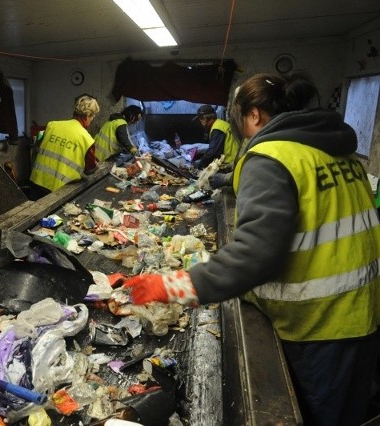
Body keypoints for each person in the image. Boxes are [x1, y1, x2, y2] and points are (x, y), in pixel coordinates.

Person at [124, 71, 380, 425]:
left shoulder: (269, 155)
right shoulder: (332, 149)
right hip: (363, 310)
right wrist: (226, 179)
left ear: (254, 115)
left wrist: (172, 285)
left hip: (319, 323)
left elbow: (254, 254)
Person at [28, 94, 100, 199]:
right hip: (59, 191)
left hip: (37, 182)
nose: (92, 120)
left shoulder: (52, 125)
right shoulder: (87, 139)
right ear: (89, 115)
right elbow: (90, 170)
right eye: (93, 116)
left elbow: (39, 146)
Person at [192, 104, 241, 169]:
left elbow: (213, 152)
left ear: (205, 118)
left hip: (230, 163)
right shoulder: (220, 124)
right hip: (234, 160)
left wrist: (201, 163)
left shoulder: (217, 128)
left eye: (201, 119)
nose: (200, 122)